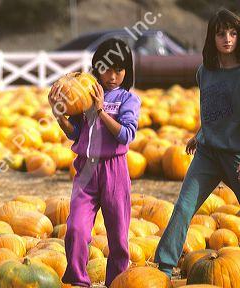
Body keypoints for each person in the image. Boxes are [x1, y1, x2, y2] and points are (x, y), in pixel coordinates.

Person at [155, 8, 240, 277]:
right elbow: (212, 109)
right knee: (183, 206)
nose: (227, 38)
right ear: (211, 38)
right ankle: (165, 267)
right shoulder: (204, 72)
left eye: (233, 32)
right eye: (221, 33)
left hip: (236, 156)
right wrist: (199, 133)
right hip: (207, 153)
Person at [49, 38, 140, 287]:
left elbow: (126, 134)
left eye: (119, 70)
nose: (112, 76)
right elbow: (75, 133)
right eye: (107, 69)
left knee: (118, 237)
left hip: (115, 172)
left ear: (126, 71)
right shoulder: (85, 94)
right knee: (76, 229)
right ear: (97, 67)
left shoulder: (127, 100)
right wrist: (59, 115)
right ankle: (78, 280)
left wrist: (101, 112)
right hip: (86, 171)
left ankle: (117, 281)